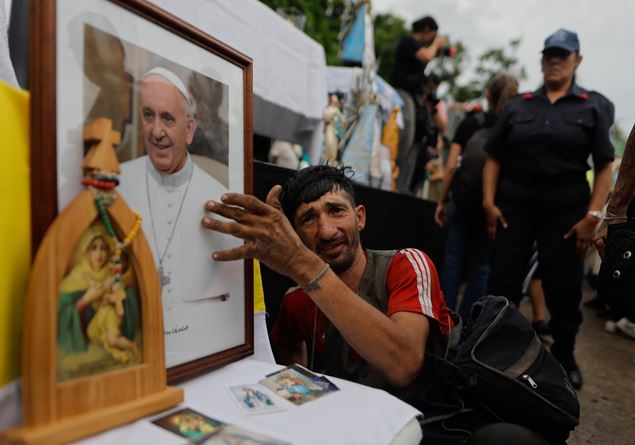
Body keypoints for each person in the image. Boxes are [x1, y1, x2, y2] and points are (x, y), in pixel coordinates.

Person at [201, 165, 549, 444]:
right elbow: (287, 354)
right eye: (308, 219)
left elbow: (404, 364)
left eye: (336, 211)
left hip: (435, 425)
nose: (326, 230)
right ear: (294, 231)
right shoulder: (298, 302)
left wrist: (300, 264)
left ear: (361, 217)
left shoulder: (407, 264)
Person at [482, 29, 615, 389]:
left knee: (563, 285)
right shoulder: (519, 104)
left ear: (577, 60)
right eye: (549, 55)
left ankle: (565, 354)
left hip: (567, 212)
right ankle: (494, 350)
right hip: (514, 207)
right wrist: (489, 203)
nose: (555, 60)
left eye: (563, 54)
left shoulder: (592, 106)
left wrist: (593, 215)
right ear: (542, 60)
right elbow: (494, 156)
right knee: (503, 280)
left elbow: (604, 164)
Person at [118, 67, 243, 367]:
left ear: (189, 130)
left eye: (167, 119)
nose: (156, 131)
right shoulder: (118, 182)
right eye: (149, 116)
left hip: (201, 355)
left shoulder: (220, 200)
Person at [435, 74, 518, 320]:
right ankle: (468, 329)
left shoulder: (470, 123)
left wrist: (441, 201)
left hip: (461, 202)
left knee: (451, 263)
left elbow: (450, 167)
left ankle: (445, 323)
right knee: (480, 269)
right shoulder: (513, 130)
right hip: (490, 209)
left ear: (488, 95)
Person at [57, 224, 141, 365]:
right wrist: (85, 300)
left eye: (104, 248)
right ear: (86, 252)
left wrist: (120, 298)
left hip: (108, 328)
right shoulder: (76, 277)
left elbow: (126, 302)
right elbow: (58, 311)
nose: (99, 254)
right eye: (94, 248)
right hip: (84, 349)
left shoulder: (112, 277)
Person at [392, 16, 448, 193]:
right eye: (432, 34)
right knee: (407, 130)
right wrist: (437, 44)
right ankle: (395, 169)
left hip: (415, 96)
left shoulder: (420, 48)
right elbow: (425, 55)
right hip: (402, 93)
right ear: (425, 29)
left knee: (415, 136)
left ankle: (403, 185)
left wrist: (442, 51)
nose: (432, 39)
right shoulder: (409, 41)